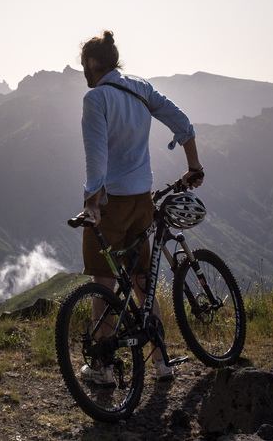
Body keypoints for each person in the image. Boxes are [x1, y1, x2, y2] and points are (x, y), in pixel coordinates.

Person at [77, 30, 204, 385]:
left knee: (102, 281)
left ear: (90, 65)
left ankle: (101, 368)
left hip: (112, 202)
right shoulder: (140, 88)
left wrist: (92, 203)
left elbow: (96, 158)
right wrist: (193, 165)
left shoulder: (96, 99)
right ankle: (161, 361)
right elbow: (182, 121)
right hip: (141, 201)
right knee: (142, 279)